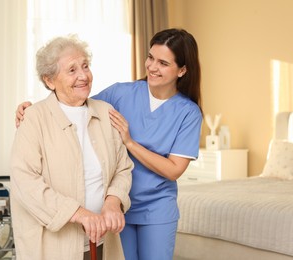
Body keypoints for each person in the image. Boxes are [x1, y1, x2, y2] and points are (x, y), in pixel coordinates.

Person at [15, 28, 203, 260]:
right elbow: (72, 100)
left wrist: (130, 142)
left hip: (153, 208)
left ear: (182, 70)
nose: (153, 67)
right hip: (117, 209)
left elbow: (174, 170)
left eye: (163, 63)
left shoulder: (188, 112)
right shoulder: (120, 94)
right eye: (151, 58)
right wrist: (30, 108)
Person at [10, 34, 133, 260]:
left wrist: (113, 201)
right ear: (49, 80)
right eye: (72, 70)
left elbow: (123, 168)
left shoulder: (106, 112)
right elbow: (25, 182)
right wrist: (79, 214)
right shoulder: (34, 118)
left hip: (102, 238)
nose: (83, 76)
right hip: (54, 245)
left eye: (85, 66)